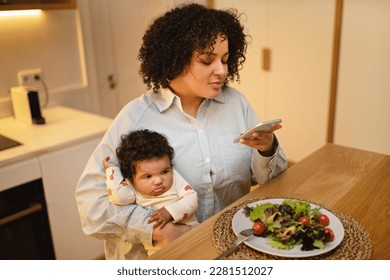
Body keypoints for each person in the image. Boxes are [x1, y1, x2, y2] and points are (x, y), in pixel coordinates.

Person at [76, 3, 287, 260]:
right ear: (174, 58)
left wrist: (267, 149)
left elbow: (268, 182)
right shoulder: (136, 117)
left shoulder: (236, 104)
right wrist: (154, 229)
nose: (221, 70)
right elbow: (90, 203)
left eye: (225, 59)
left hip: (228, 249)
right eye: (207, 60)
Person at [102, 129, 199, 256]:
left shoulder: (175, 178)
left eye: (165, 171)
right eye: (148, 176)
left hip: (193, 234)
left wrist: (170, 211)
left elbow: (192, 198)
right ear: (131, 178)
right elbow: (118, 197)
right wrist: (112, 170)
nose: (159, 180)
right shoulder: (131, 188)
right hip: (158, 251)